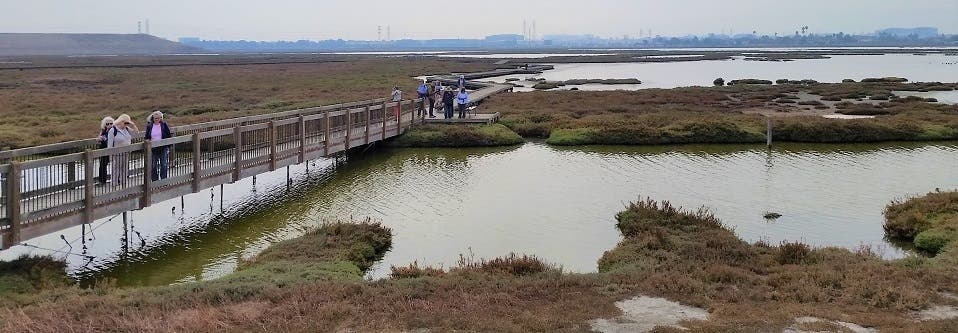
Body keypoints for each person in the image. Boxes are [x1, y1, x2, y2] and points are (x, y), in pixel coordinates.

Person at [108, 114, 138, 187]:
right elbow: (110, 144)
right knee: (116, 169)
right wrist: (110, 155)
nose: (126, 124)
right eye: (125, 122)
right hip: (117, 153)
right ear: (121, 121)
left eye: (127, 123)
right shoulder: (113, 130)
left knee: (124, 169)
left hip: (126, 152)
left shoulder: (127, 129)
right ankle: (114, 184)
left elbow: (136, 133)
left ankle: (123, 184)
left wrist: (133, 125)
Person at [144, 110, 173, 181]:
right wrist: (147, 142)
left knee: (164, 165)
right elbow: (147, 136)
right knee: (153, 166)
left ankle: (163, 180)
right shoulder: (149, 126)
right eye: (155, 118)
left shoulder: (164, 125)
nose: (156, 119)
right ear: (153, 118)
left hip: (163, 148)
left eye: (158, 118)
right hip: (153, 148)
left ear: (160, 118)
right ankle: (154, 181)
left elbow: (168, 135)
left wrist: (168, 146)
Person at [95, 116, 114, 184]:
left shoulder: (114, 130)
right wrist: (99, 138)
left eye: (111, 123)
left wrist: (103, 138)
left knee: (112, 165)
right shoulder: (103, 130)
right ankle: (102, 181)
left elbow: (110, 139)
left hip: (110, 150)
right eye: (107, 124)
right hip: (103, 150)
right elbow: (99, 138)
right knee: (102, 165)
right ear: (104, 124)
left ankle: (104, 181)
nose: (109, 125)